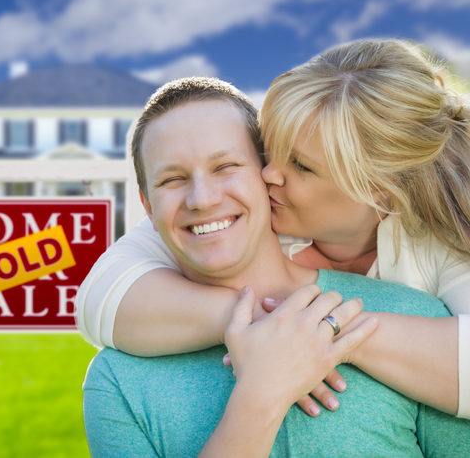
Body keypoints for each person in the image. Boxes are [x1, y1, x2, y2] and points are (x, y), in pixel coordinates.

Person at [77, 39, 470, 418]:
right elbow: (101, 298)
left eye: (300, 165)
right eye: (271, 149)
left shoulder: (440, 241)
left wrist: (320, 330)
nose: (268, 173)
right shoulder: (253, 211)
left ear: (378, 193)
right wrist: (262, 320)